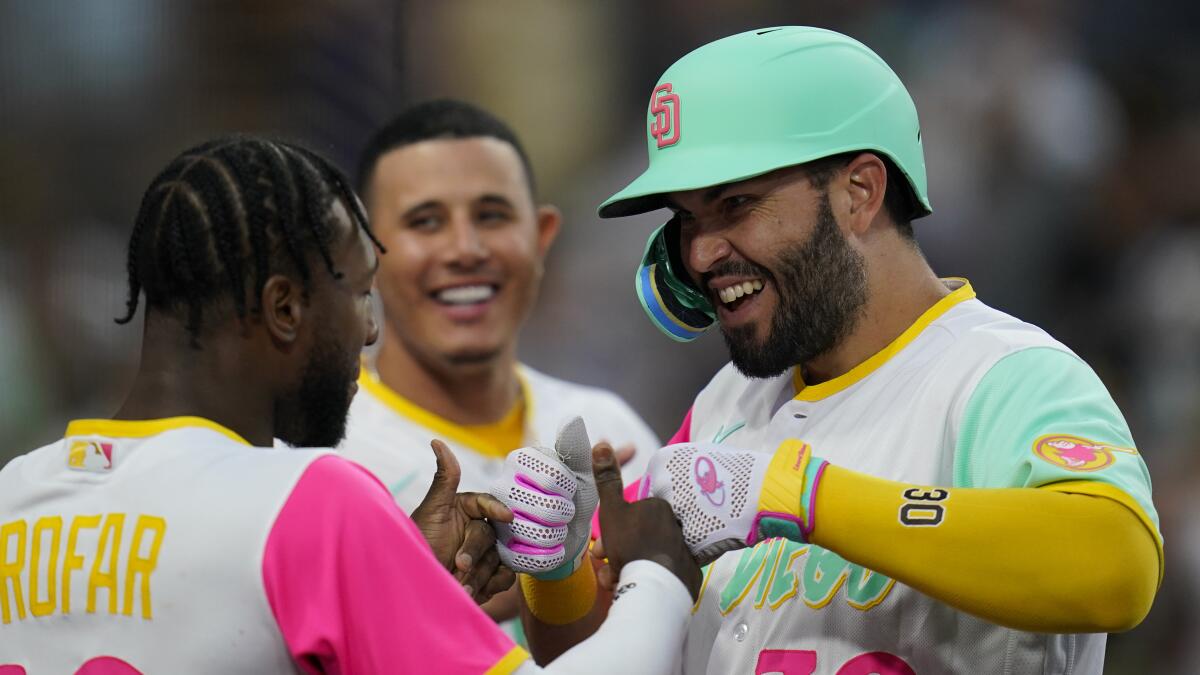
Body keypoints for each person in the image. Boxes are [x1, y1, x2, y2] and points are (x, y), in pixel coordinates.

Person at [496, 27, 1162, 673]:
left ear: (859, 192)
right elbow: (601, 648)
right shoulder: (727, 401)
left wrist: (803, 497)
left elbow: (1121, 566)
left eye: (735, 203)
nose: (699, 253)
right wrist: (557, 573)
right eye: (688, 218)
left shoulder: (1005, 374)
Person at [0, 135, 699, 674]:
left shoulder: (14, 495)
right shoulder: (309, 503)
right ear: (284, 308)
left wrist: (396, 571)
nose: (369, 329)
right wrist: (656, 573)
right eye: (360, 293)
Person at [343, 100, 661, 622]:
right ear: (363, 252)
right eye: (425, 222)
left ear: (542, 238)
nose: (465, 249)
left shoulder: (609, 427)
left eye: (491, 216)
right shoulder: (323, 456)